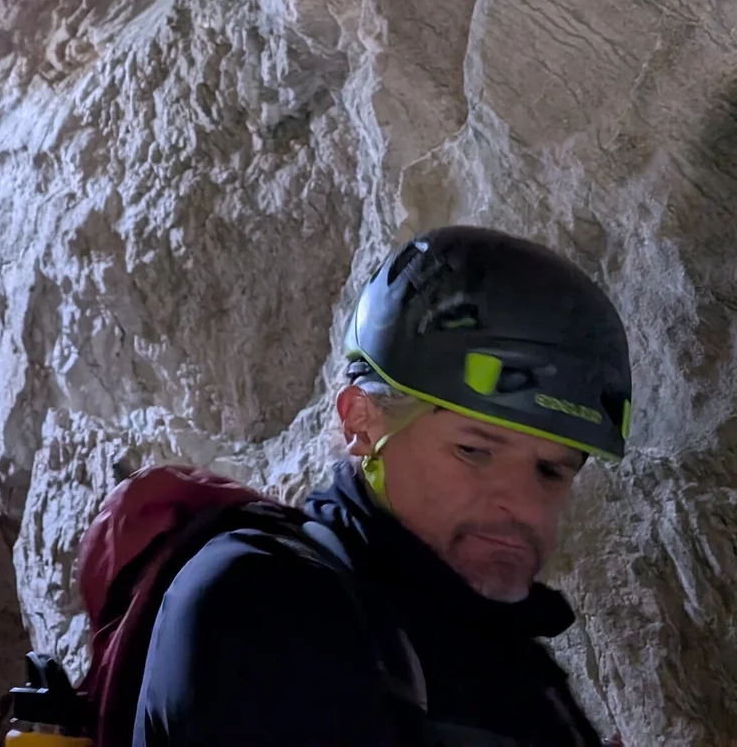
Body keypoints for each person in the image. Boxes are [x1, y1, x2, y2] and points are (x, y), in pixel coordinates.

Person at [133, 226, 633, 747]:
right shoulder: (264, 606)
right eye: (475, 451)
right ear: (362, 422)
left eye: (551, 471)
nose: (522, 504)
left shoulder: (507, 655)